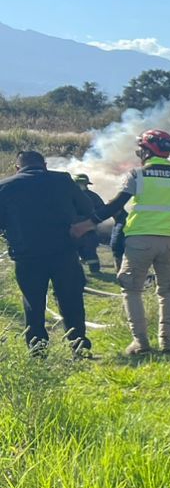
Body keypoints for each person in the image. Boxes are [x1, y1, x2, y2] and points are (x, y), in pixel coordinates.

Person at [101, 129, 170, 356]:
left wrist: (90, 220)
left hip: (140, 240)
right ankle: (166, 342)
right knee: (168, 291)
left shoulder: (137, 175)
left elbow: (116, 205)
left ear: (148, 151)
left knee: (132, 289)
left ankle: (140, 342)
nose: (139, 153)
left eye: (141, 149)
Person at [0, 151, 98, 356]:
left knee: (33, 302)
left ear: (17, 168)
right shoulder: (63, 180)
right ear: (44, 165)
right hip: (64, 252)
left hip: (26, 255)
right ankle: (78, 345)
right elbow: (88, 207)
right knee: (71, 298)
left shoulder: (5, 186)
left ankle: (37, 348)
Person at [72, 173, 107, 273]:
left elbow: (102, 210)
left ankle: (94, 271)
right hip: (83, 228)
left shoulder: (69, 195)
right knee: (82, 251)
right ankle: (89, 271)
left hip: (84, 229)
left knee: (89, 251)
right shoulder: (93, 196)